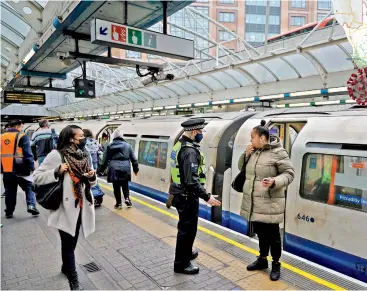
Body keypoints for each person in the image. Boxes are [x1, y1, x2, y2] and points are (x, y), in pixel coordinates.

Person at [33, 125, 96, 290]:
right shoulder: (57, 155)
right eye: (81, 136)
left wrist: (92, 176)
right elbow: (37, 177)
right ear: (71, 138)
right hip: (65, 207)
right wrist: (56, 170)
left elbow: (91, 182)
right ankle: (73, 280)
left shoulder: (84, 155)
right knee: (68, 244)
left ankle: (65, 266)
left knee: (72, 242)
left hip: (81, 205)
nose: (84, 139)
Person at [239, 120, 294, 281]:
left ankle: (276, 263)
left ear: (262, 138)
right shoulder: (254, 151)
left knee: (274, 237)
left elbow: (289, 173)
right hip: (255, 202)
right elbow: (241, 168)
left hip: (270, 203)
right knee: (261, 233)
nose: (251, 140)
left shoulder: (279, 152)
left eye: (252, 137)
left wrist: (274, 182)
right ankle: (262, 259)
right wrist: (246, 155)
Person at [169, 118, 221, 275]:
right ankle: (181, 264)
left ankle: (186, 253)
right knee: (187, 230)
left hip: (180, 194)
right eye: (200, 132)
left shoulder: (180, 145)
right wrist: (207, 197)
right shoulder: (189, 152)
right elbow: (191, 182)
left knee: (185, 228)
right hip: (187, 196)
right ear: (193, 132)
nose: (201, 135)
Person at [1, 120, 39, 218]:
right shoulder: (22, 136)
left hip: (6, 170)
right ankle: (31, 205)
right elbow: (28, 154)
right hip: (22, 169)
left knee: (10, 191)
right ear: (18, 127)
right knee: (29, 186)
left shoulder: (1, 137)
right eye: (21, 127)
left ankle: (9, 212)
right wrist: (32, 167)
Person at [98, 129, 139, 209]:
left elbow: (104, 160)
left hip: (114, 168)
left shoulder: (110, 146)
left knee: (116, 186)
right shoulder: (128, 146)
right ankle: (127, 199)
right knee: (125, 184)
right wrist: (135, 169)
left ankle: (119, 203)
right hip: (125, 167)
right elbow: (134, 159)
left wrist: (101, 170)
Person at [83, 129, 104, 206]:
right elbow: (101, 150)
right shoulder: (95, 142)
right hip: (95, 163)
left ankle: (91, 196)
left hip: (87, 163)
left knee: (87, 181)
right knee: (94, 180)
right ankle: (97, 196)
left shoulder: (84, 142)